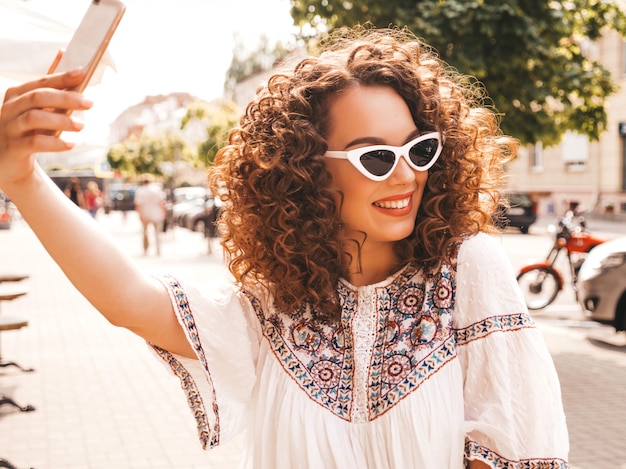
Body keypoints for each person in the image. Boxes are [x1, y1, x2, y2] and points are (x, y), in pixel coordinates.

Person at [0, 28, 569, 468]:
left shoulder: (467, 270)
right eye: (375, 157)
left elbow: (518, 442)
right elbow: (128, 298)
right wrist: (20, 176)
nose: (406, 176)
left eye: (418, 150)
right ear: (308, 173)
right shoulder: (273, 307)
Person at [133, 174, 166, 255]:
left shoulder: (140, 191)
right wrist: (164, 212)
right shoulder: (157, 189)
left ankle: (145, 249)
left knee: (145, 233)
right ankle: (158, 250)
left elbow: (138, 205)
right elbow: (162, 203)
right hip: (157, 214)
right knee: (157, 233)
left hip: (145, 214)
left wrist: (139, 215)